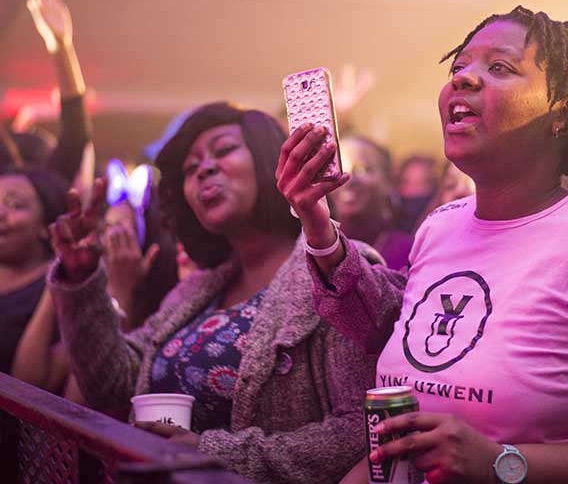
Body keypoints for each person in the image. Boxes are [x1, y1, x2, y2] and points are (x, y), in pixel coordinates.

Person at [277, 6, 568, 484]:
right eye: (459, 66)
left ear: (564, 113)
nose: (463, 79)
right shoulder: (439, 228)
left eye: (499, 67)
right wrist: (315, 218)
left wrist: (501, 463)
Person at [46, 102, 376, 484]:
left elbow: (360, 428)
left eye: (223, 150)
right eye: (191, 168)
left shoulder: (337, 268)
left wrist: (212, 455)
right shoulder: (195, 290)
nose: (204, 169)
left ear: (271, 160)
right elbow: (111, 387)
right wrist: (81, 276)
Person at [12, 161, 179, 397]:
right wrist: (64, 270)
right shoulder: (86, 304)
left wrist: (120, 290)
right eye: (104, 229)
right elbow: (26, 381)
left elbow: (81, 401)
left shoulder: (157, 317)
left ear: (149, 251)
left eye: (119, 232)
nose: (104, 241)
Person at [0, 0, 92, 185]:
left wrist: (61, 45)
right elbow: (75, 136)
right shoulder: (30, 184)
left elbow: (75, 137)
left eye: (15, 200)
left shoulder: (40, 186)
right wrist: (61, 47)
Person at [0, 168, 68, 375]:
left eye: (14, 205)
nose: (0, 213)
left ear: (46, 226)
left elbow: (30, 382)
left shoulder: (63, 286)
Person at [330, 136, 413, 270]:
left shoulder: (410, 252)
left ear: (389, 181)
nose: (348, 179)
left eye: (362, 169)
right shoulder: (312, 249)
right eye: (338, 169)